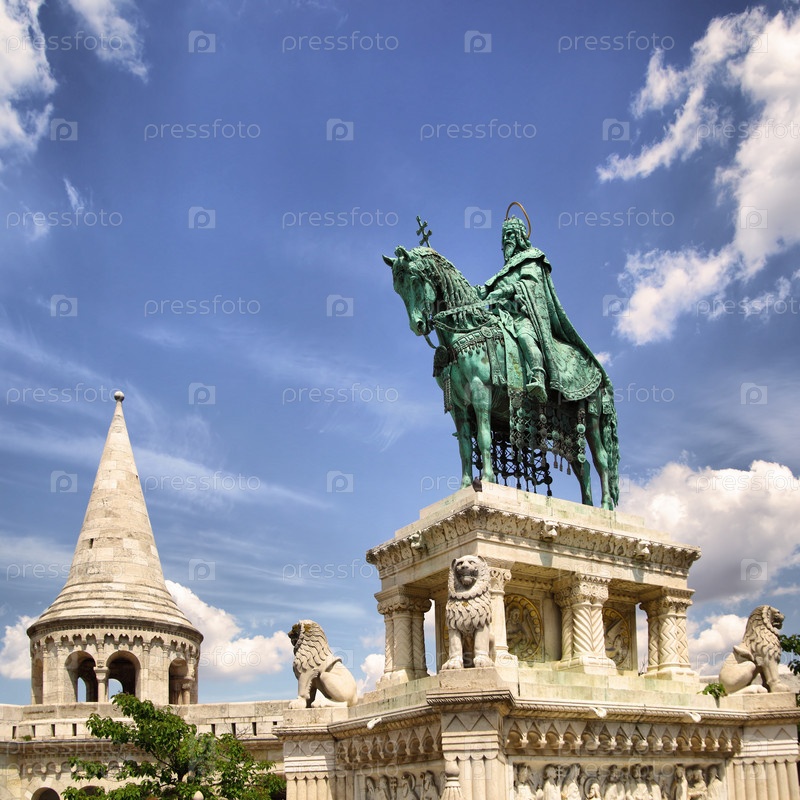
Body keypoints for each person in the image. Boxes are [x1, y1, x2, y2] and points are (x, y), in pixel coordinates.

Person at [477, 214, 608, 405]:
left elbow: (530, 284)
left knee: (525, 336)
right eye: (504, 236)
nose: (506, 239)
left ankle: (538, 376)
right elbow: (486, 292)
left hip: (522, 315)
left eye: (510, 234)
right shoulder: (502, 272)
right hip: (499, 317)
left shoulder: (531, 257)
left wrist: (505, 292)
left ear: (520, 236)